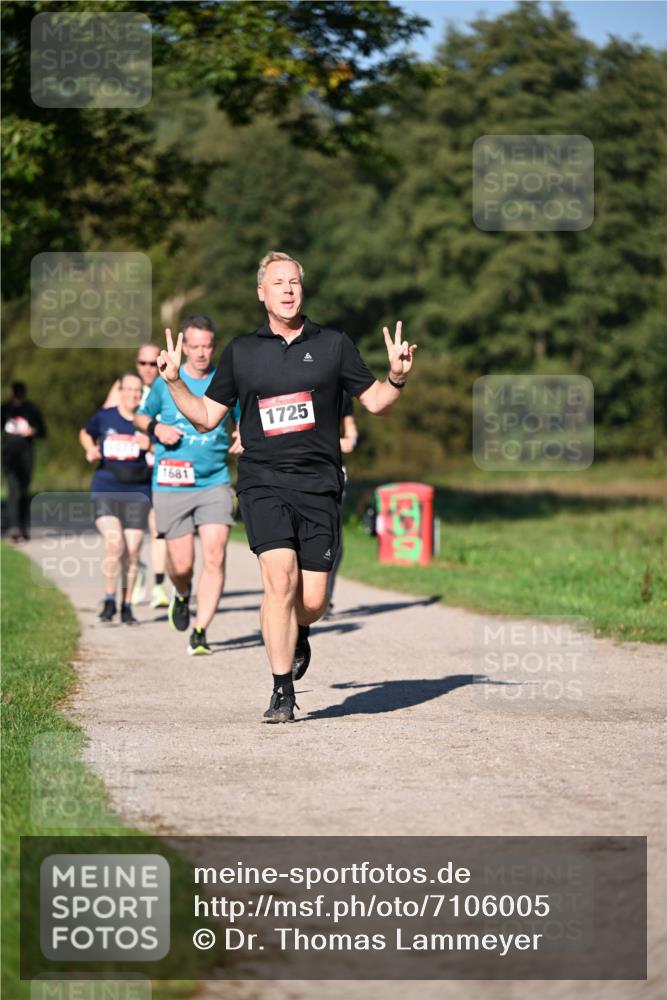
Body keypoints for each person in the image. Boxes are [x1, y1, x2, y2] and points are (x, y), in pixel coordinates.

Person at [156, 252, 417, 722]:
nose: (288, 289)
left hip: (318, 485)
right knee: (278, 581)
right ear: (262, 292)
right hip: (262, 482)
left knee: (311, 602)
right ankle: (282, 691)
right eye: (278, 282)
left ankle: (300, 631)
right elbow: (208, 416)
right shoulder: (241, 351)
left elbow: (376, 402)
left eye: (294, 281)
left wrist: (396, 375)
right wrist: (175, 383)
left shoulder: (334, 345)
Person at [134, 316, 238, 656]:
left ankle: (200, 630)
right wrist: (156, 430)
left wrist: (244, 437)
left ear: (214, 346)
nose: (201, 353)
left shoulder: (225, 379)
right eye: (194, 346)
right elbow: (139, 415)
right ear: (185, 346)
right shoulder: (166, 382)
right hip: (172, 483)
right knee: (182, 564)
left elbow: (242, 419)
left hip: (214, 480)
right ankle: (180, 594)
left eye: (207, 346)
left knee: (215, 552)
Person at [79, 373, 152, 624]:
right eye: (128, 389)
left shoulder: (147, 421)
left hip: (137, 491)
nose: (133, 394)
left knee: (132, 551)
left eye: (137, 391)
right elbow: (85, 433)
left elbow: (163, 446)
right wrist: (90, 448)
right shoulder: (105, 416)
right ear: (119, 390)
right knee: (115, 543)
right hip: (106, 487)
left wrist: (150, 445)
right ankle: (109, 599)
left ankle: (127, 605)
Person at [103, 342, 169, 609]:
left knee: (158, 528)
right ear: (136, 363)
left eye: (153, 364)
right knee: (131, 534)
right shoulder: (126, 388)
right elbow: (106, 418)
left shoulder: (168, 386)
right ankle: (136, 569)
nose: (148, 369)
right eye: (143, 363)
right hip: (131, 472)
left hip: (160, 466)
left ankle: (159, 587)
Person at [324, 390, 359, 617]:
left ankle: (325, 599)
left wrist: (350, 440)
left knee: (335, 541)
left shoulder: (341, 393)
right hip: (299, 471)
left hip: (333, 472)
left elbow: (351, 429)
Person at [2, 381, 47, 542]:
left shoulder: (32, 410)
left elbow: (43, 431)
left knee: (24, 492)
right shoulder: (5, 409)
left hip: (26, 456)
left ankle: (24, 528)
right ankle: (13, 527)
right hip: (9, 456)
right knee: (13, 490)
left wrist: (32, 431)